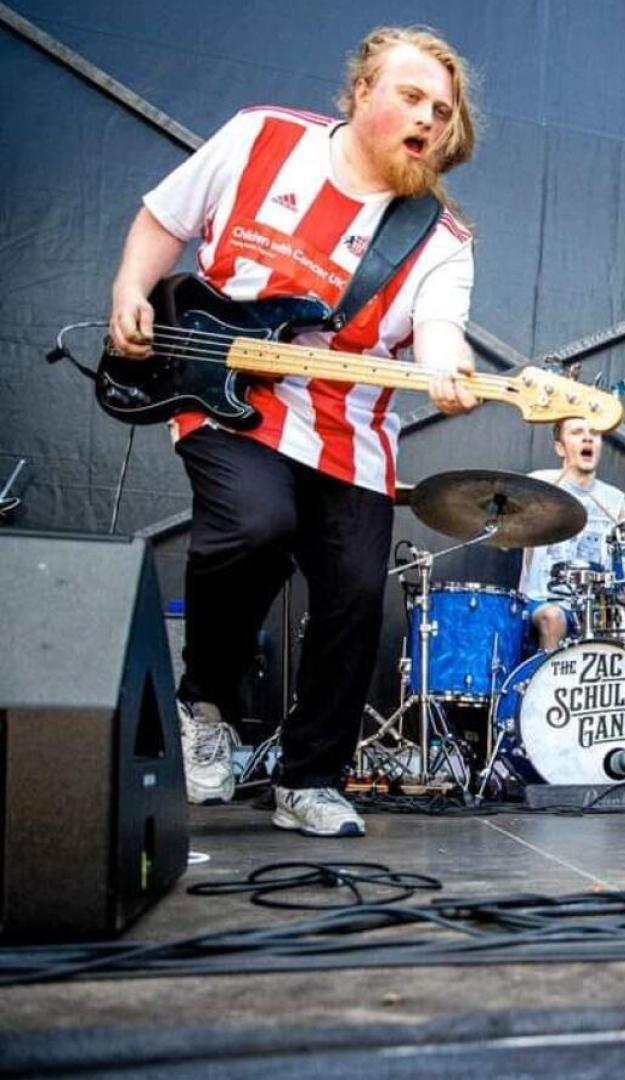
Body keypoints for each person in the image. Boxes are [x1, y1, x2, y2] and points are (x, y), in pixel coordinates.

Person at [106, 26, 483, 837]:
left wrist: (450, 371)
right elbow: (163, 218)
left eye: (442, 110)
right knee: (255, 522)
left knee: (356, 594)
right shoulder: (262, 137)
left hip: (349, 432)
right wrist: (130, 291)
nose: (429, 118)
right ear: (360, 92)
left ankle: (310, 779)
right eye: (412, 97)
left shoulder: (441, 241)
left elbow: (441, 330)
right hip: (224, 392)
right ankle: (206, 702)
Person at [518, 418, 625, 695]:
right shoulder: (540, 485)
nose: (588, 438)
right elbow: (509, 531)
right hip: (544, 599)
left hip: (599, 608)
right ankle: (546, 705)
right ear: (560, 447)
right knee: (553, 618)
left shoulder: (615, 502)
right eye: (577, 433)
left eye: (594, 433)